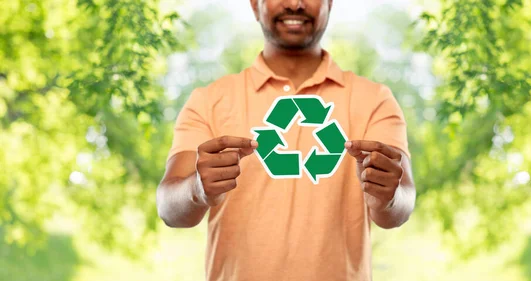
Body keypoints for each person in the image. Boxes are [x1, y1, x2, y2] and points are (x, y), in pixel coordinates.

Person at [156, 0, 416, 280]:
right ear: (255, 5)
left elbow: (401, 205)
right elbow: (170, 210)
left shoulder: (374, 100)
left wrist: (389, 196)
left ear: (330, 3)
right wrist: (196, 188)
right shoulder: (208, 102)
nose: (295, 4)